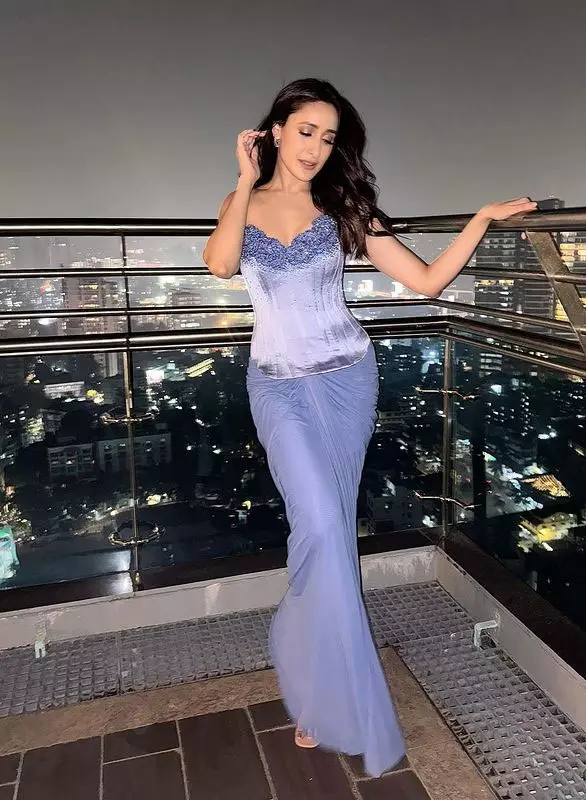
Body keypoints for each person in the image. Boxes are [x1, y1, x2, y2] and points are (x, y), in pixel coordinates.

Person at [202, 77, 536, 777]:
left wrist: (480, 219)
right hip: (277, 386)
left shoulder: (345, 207)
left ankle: (320, 692)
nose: (316, 148)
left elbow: (426, 282)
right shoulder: (243, 201)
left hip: (348, 380)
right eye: (305, 132)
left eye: (328, 138)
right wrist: (243, 179)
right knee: (320, 525)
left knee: (328, 531)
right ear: (274, 131)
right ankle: (316, 672)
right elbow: (222, 264)